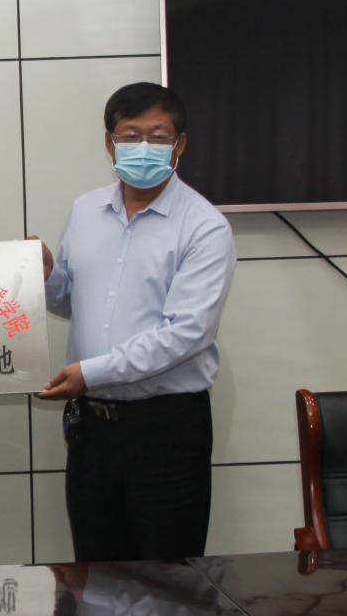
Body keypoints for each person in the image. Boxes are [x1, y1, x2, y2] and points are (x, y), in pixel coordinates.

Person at [37, 82, 236, 562]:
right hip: (91, 429)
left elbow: (187, 333)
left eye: (158, 136)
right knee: (96, 570)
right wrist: (44, 275)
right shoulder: (86, 210)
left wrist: (91, 373)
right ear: (109, 142)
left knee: (169, 575)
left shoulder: (205, 227)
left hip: (166, 428)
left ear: (179, 144)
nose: (143, 146)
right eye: (130, 135)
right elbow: (71, 300)